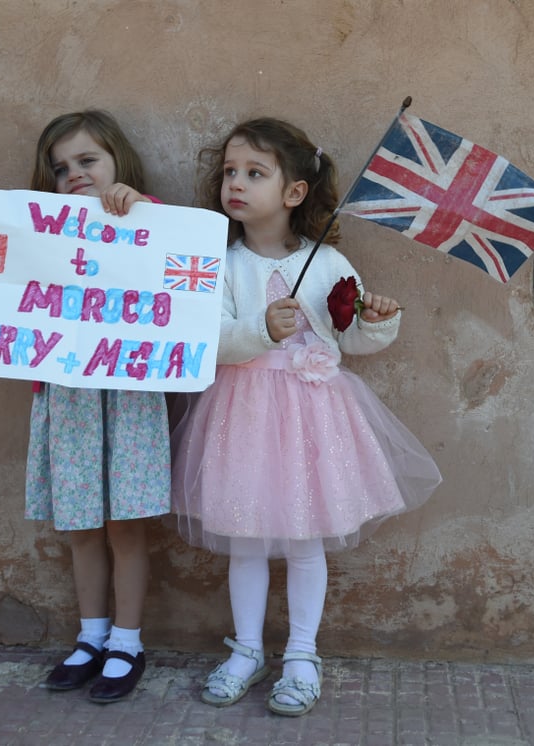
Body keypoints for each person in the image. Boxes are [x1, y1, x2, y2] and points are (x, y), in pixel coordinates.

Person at [171, 117, 442, 716]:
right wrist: (257, 329)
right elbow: (208, 337)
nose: (235, 184)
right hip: (241, 414)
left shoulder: (328, 265)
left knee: (302, 539)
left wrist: (375, 320)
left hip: (313, 419)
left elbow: (352, 342)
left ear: (294, 193)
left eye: (254, 173)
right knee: (244, 538)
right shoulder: (219, 262)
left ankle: (300, 653)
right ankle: (245, 649)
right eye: (230, 173)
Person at [25, 110, 170, 704]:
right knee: (81, 524)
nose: (74, 175)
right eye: (61, 169)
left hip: (131, 392)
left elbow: (176, 257)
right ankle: (91, 637)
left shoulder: (147, 216)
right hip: (69, 396)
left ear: (118, 163)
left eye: (87, 160)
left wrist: (140, 207)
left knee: (125, 525)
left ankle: (128, 642)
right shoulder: (43, 229)